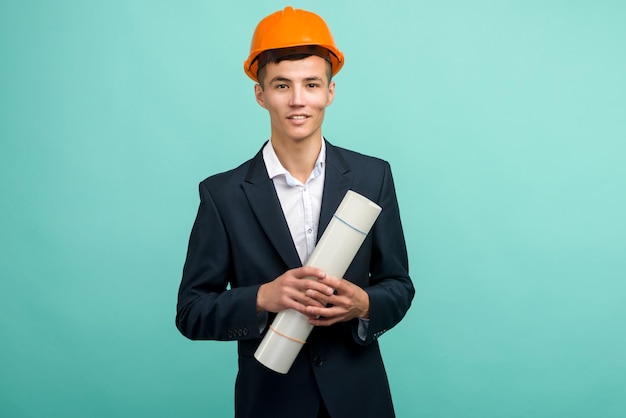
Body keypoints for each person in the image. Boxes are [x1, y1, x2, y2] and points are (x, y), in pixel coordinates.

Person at [176, 6, 414, 418]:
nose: (298, 100)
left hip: (359, 401)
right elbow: (192, 312)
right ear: (260, 93)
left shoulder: (372, 177)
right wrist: (263, 297)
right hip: (270, 402)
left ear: (330, 92)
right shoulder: (223, 194)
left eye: (311, 84)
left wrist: (363, 305)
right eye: (282, 85)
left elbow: (398, 285)